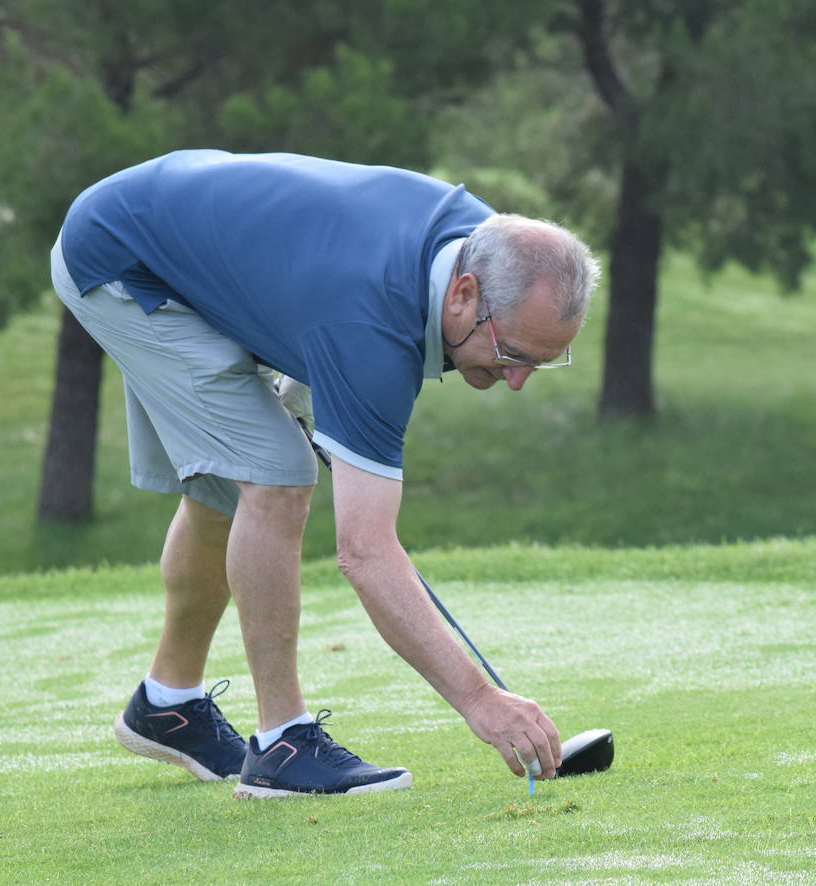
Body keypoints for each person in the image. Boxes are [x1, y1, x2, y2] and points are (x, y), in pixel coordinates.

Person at [49, 150, 599, 798]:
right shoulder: (371, 324)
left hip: (204, 239)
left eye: (541, 361)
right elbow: (364, 552)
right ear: (464, 294)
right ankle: (281, 744)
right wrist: (481, 701)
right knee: (276, 480)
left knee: (228, 486)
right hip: (126, 261)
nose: (516, 381)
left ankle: (168, 707)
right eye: (510, 354)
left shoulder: (485, 249)